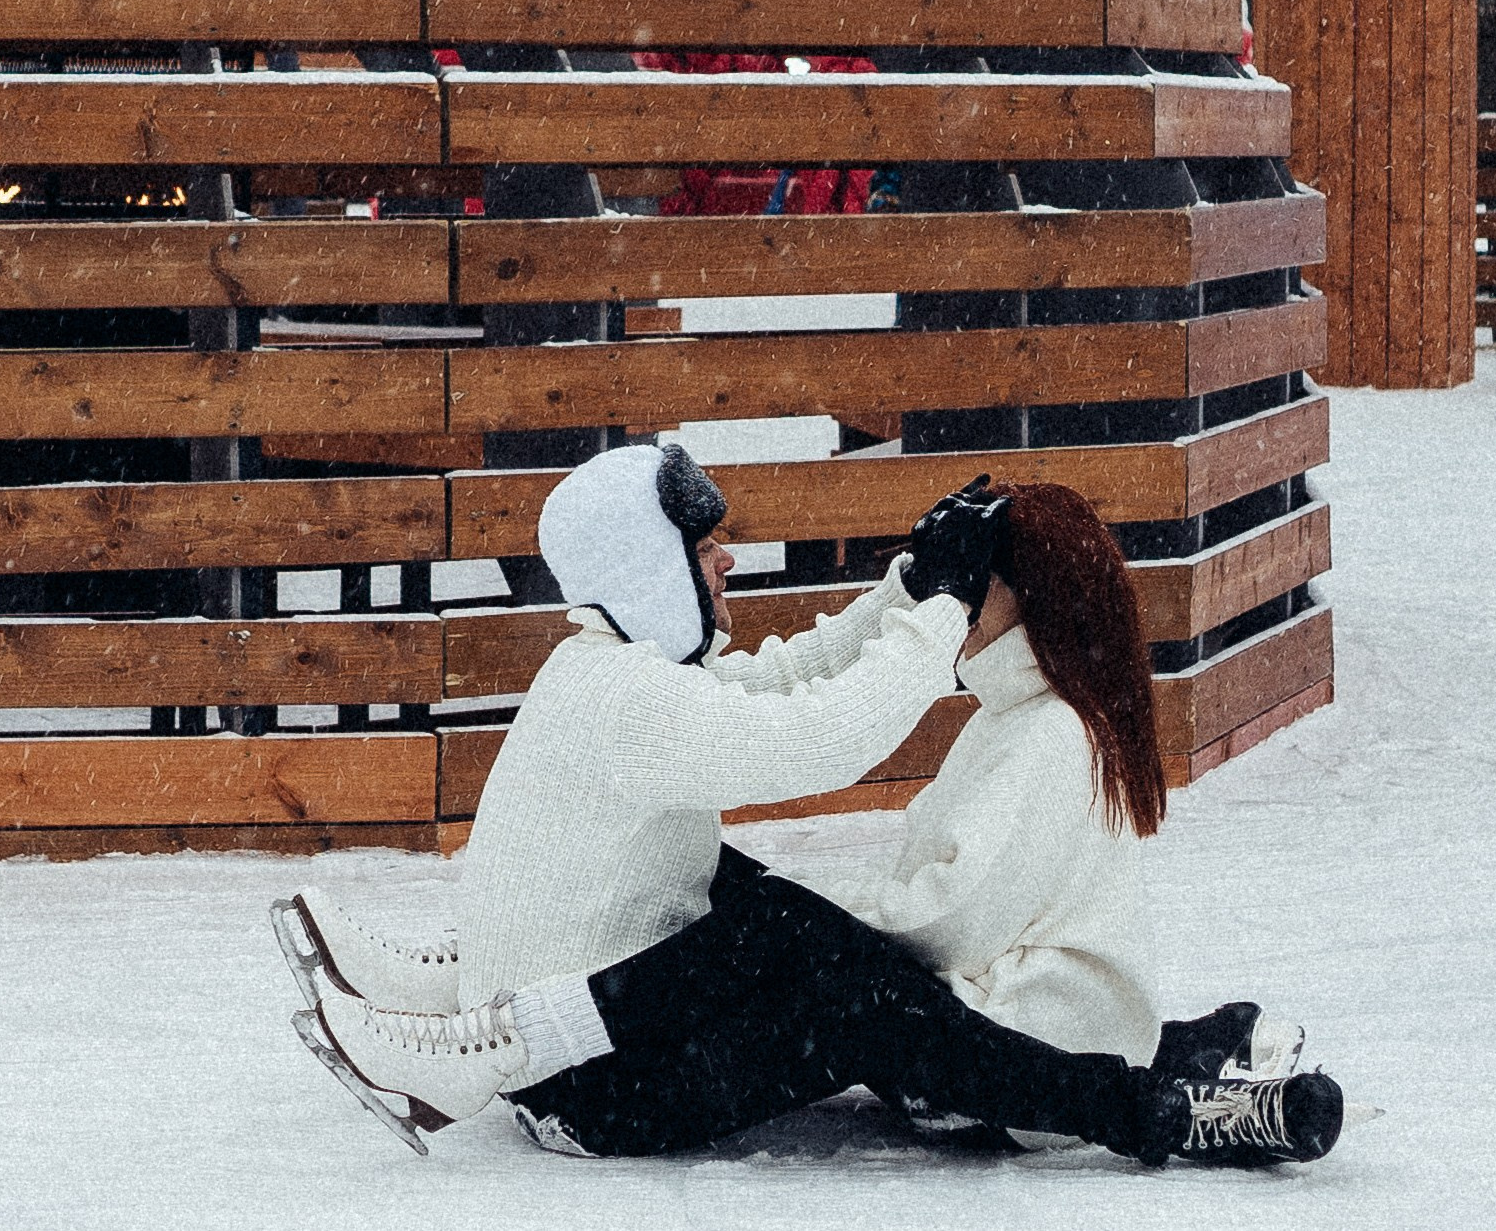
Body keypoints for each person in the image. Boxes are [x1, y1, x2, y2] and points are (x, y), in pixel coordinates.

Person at [281, 448, 1344, 1166]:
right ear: (650, 568)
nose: (727, 561)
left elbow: (789, 680)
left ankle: (465, 995)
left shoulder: (602, 669)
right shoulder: (636, 700)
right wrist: (937, 611)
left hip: (592, 1063)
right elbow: (825, 734)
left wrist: (902, 593)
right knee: (827, 968)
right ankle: (481, 1038)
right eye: (704, 548)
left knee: (775, 917)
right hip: (594, 1097)